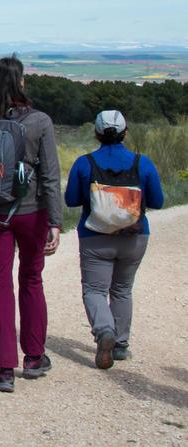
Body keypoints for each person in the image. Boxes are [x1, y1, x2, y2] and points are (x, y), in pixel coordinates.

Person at [0, 55, 64, 393]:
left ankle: (4, 368)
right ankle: (33, 358)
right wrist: (55, 221)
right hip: (31, 212)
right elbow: (50, 175)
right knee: (31, 279)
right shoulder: (40, 122)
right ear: (18, 83)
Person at [63, 110, 165, 369]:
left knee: (95, 290)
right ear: (125, 132)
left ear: (97, 133)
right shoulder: (142, 163)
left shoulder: (84, 163)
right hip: (134, 236)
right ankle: (119, 345)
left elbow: (71, 200)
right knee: (122, 289)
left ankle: (104, 330)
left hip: (95, 237)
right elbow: (157, 201)